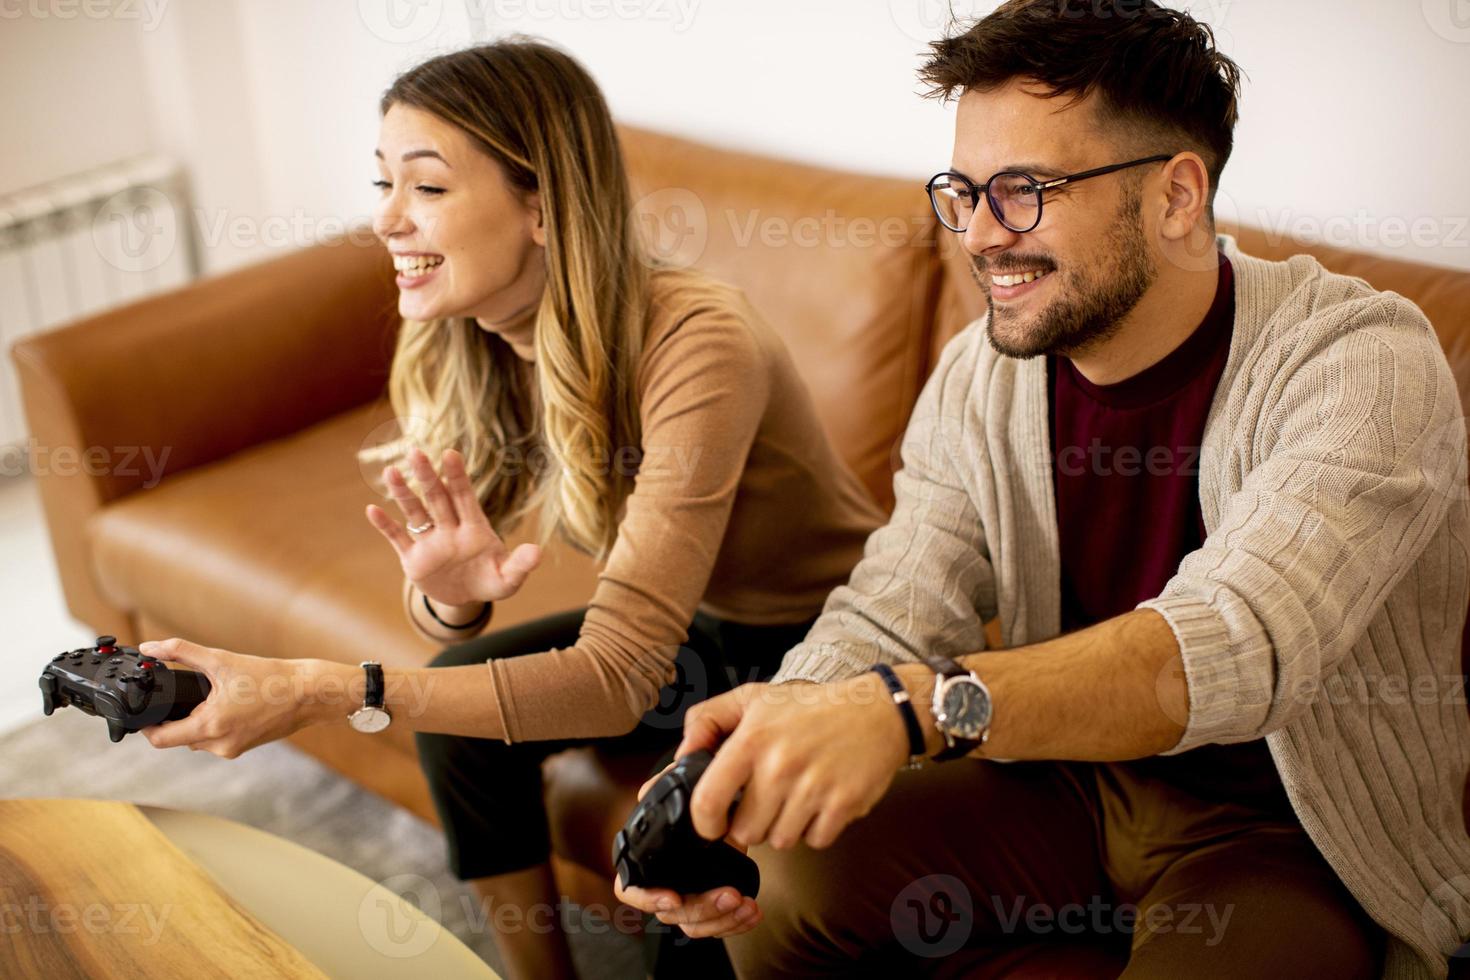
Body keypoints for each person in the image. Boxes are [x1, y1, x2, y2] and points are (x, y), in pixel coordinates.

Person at [616, 2, 1470, 977]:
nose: (978, 235)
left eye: (1022, 191)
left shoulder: (1364, 360)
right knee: (773, 874)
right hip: (1068, 780)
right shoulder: (983, 372)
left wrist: (911, 707)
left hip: (1284, 835)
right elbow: (900, 596)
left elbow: (1241, 640)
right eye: (962, 191)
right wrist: (766, 739)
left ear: (1177, 196)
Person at [135, 39, 884, 980]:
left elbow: (616, 674)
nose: (388, 223)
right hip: (705, 628)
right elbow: (445, 600)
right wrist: (447, 597)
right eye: (382, 185)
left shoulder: (699, 341)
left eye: (428, 188)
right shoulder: (474, 338)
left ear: (541, 205)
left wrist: (321, 687)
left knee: (690, 918)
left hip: (824, 642)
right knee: (458, 709)